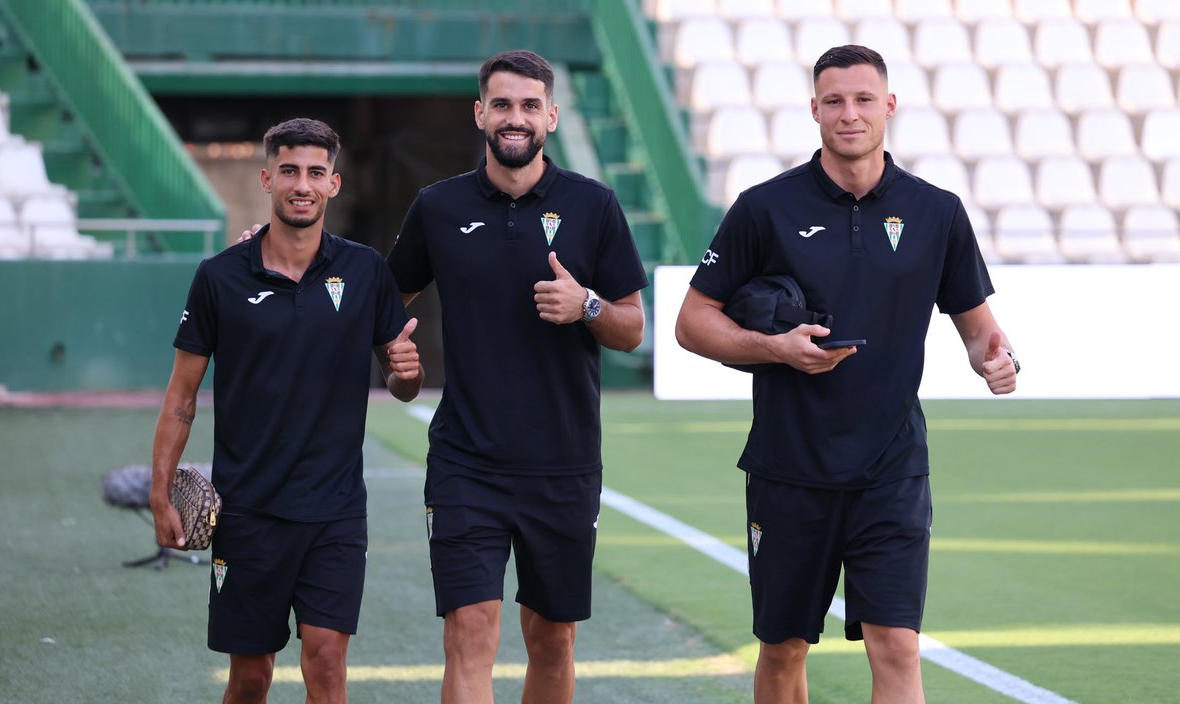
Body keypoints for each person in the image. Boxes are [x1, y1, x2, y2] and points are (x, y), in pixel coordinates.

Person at [674, 45, 1019, 704]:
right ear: (814, 110)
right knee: (783, 650)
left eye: (864, 99)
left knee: (897, 644)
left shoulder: (935, 212)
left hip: (891, 468)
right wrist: (776, 349)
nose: (849, 113)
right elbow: (692, 323)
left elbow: (980, 333)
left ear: (889, 106)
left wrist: (995, 361)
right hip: (788, 469)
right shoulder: (763, 207)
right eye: (834, 100)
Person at [385, 49, 648, 704]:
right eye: (501, 104)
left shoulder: (594, 206)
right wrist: (396, 360)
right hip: (465, 461)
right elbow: (381, 303)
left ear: (551, 117)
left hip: (563, 463)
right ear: (480, 114)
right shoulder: (438, 208)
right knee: (470, 632)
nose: (515, 117)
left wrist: (585, 305)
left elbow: (632, 327)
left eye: (530, 105)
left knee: (552, 639)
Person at [149, 117, 423, 704]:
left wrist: (409, 373)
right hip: (248, 511)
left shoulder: (365, 270)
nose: (303, 184)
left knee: (326, 659)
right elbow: (181, 398)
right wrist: (160, 491)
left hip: (336, 511)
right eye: (291, 171)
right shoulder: (219, 278)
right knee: (252, 676)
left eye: (316, 173)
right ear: (267, 178)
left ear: (335, 184)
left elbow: (402, 384)